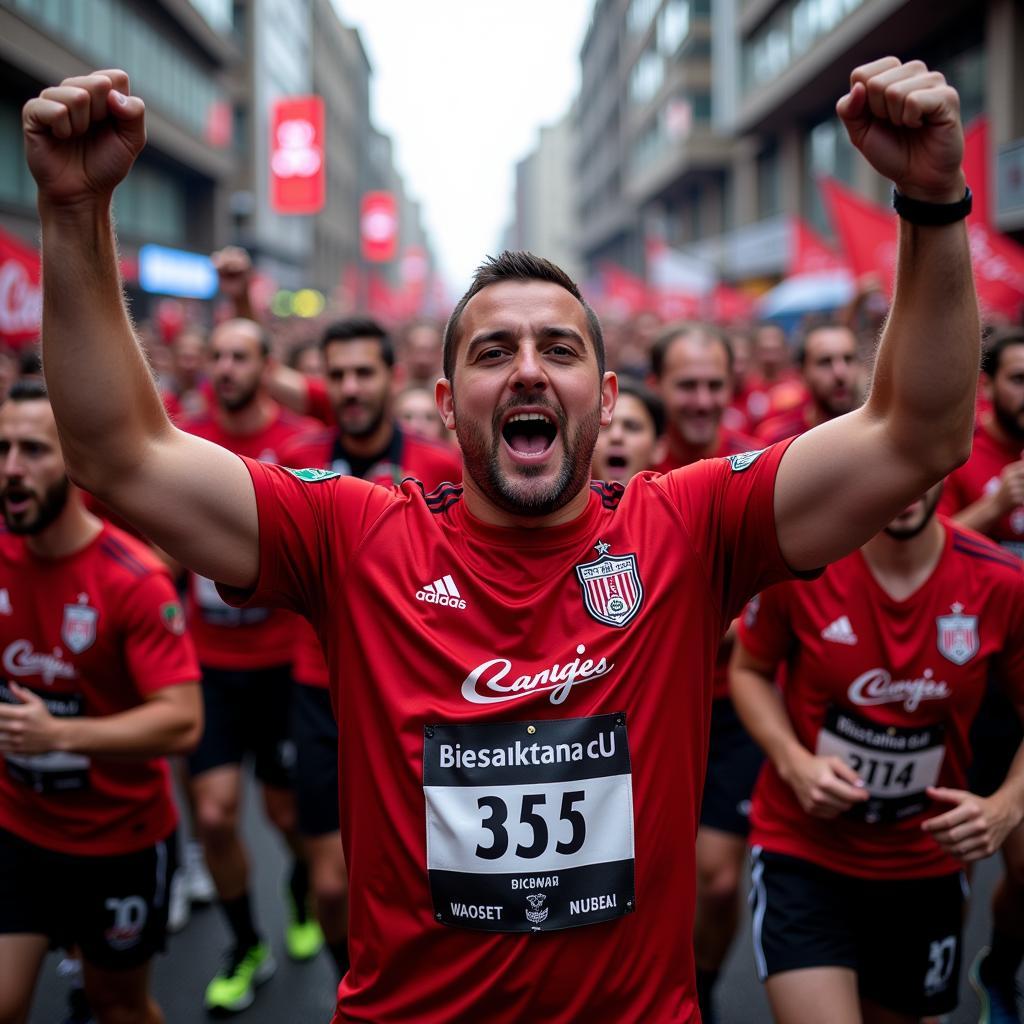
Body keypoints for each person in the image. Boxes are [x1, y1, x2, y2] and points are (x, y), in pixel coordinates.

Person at [25, 58, 979, 1022]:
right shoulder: (353, 536)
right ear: (446, 406)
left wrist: (932, 201)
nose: (528, 370)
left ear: (606, 400)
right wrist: (72, 208)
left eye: (559, 349)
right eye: (493, 353)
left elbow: (917, 437)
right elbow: (121, 454)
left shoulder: (690, 526)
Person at [730, 484, 1024, 1024]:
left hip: (923, 865)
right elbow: (748, 670)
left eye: (924, 466)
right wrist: (794, 761)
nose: (907, 485)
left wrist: (1006, 805)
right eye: (899, 463)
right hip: (805, 854)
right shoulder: (808, 563)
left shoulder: (1001, 583)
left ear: (946, 464)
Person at [0, 378, 202, 1024]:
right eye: (1, 448)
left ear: (76, 460)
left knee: (119, 1007)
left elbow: (181, 721)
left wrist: (59, 736)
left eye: (33, 450)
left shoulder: (131, 578)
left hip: (120, 843)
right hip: (19, 830)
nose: (10, 470)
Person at [278, 318, 461, 979]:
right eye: (338, 375)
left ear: (391, 377)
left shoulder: (442, 467)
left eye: (364, 373)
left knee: (424, 875)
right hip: (319, 689)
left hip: (415, 694)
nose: (351, 387)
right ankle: (347, 983)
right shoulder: (297, 466)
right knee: (332, 887)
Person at [180, 318, 324, 1013]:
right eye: (218, 356)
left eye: (241, 356)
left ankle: (299, 887)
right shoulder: (182, 439)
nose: (228, 368)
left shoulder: (297, 446)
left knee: (285, 811)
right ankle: (245, 944)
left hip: (280, 664)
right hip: (208, 662)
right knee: (213, 814)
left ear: (266, 366)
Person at [646, 322, 763, 1021]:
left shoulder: (754, 472)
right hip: (649, 708)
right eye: (686, 384)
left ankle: (703, 995)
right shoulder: (624, 467)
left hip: (728, 708)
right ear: (656, 386)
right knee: (649, 881)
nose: (701, 399)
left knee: (718, 886)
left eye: (714, 384)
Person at [939, 327, 1024, 1020]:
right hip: (966, 691)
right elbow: (912, 550)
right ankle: (930, 979)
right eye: (1019, 379)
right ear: (989, 387)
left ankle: (998, 966)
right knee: (951, 863)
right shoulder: (957, 450)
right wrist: (994, 507)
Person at [756, 322, 863, 444]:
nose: (840, 373)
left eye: (848, 359)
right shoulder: (778, 440)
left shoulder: (877, 435)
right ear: (802, 372)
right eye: (825, 362)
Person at [590, 377, 665, 484]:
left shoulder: (677, 499)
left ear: (659, 447)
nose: (616, 436)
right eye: (603, 426)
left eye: (632, 427)